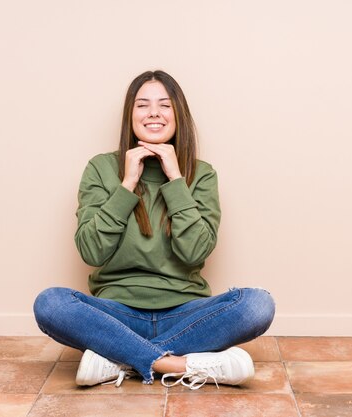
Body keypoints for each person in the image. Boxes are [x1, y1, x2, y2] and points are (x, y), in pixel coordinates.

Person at [33, 70, 275, 389]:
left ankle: (121, 358)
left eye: (165, 105)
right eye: (142, 105)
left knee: (257, 304)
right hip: (117, 313)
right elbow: (92, 252)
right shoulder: (101, 168)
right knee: (50, 303)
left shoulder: (201, 174)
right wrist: (127, 184)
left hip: (186, 313)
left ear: (178, 116)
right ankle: (177, 364)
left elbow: (195, 252)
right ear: (129, 116)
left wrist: (176, 180)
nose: (154, 113)